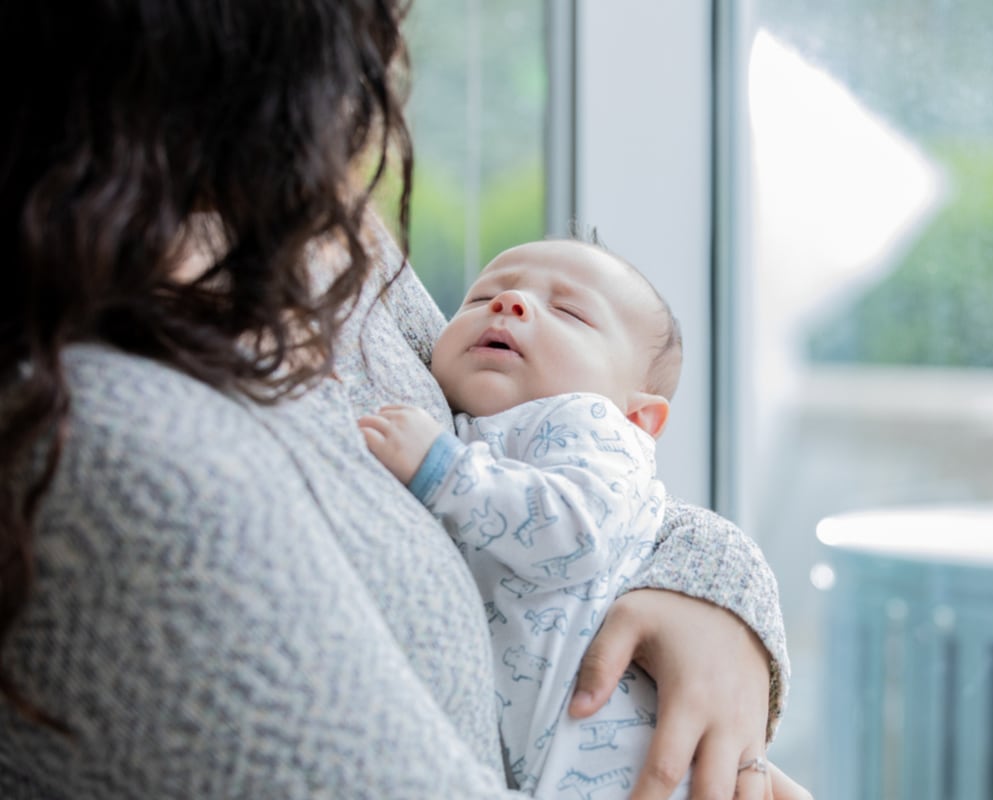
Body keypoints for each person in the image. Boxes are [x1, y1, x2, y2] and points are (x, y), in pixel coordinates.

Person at [0, 1, 807, 798]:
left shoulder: (316, 244)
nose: (508, 307)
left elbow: (607, 500)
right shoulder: (109, 453)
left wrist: (711, 588)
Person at [360, 237, 711, 797]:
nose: (510, 302)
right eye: (482, 298)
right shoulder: (471, 428)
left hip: (630, 765)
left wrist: (445, 470)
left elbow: (578, 532)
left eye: (570, 311)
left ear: (639, 417)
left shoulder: (593, 424)